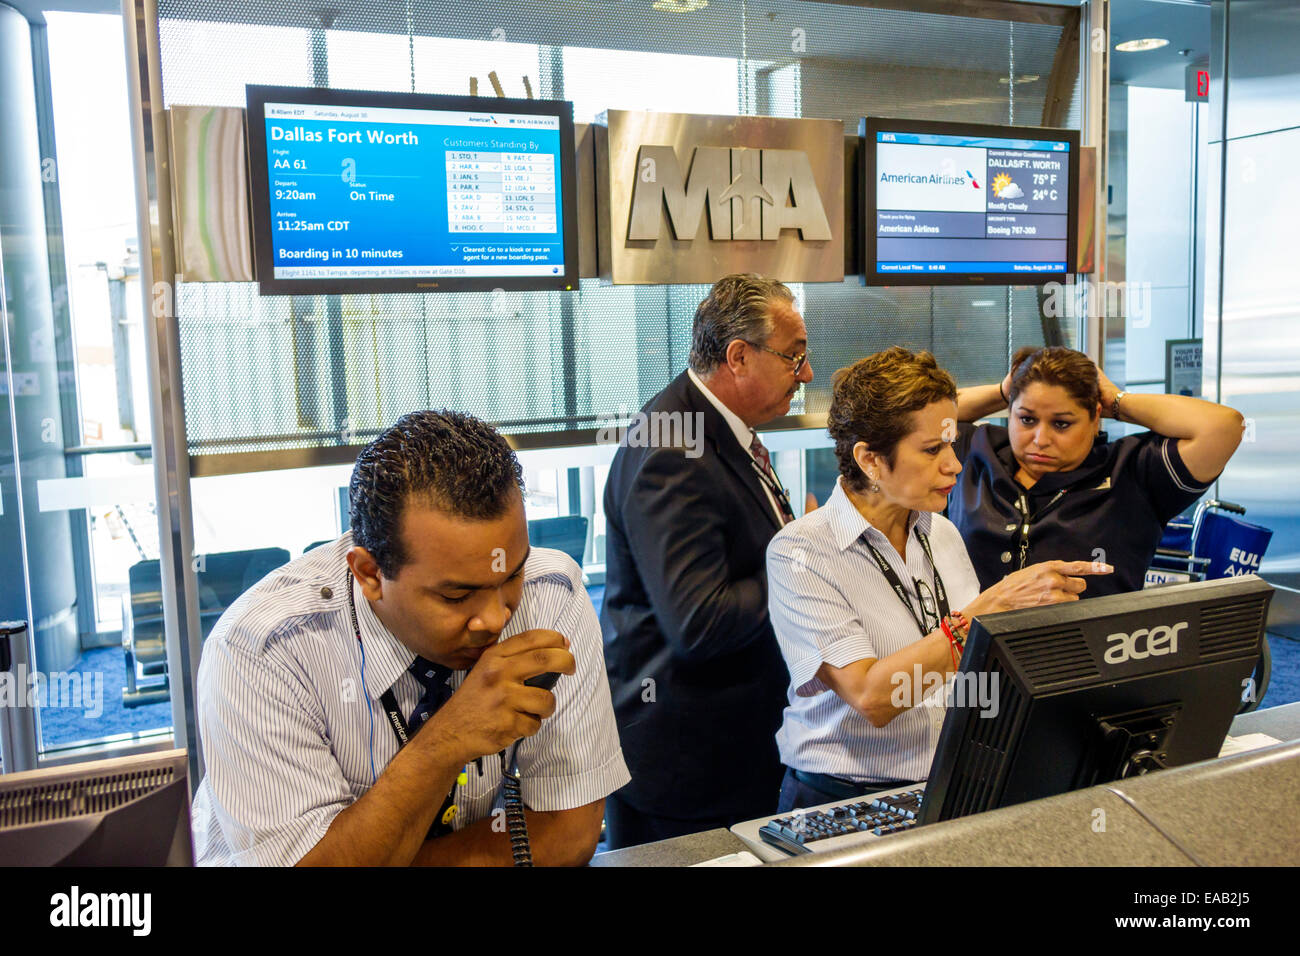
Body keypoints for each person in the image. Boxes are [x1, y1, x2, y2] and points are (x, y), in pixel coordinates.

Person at [190, 410, 629, 865]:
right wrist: (448, 740)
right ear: (369, 574)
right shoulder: (261, 650)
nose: (496, 618)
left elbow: (570, 834)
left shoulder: (549, 593)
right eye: (458, 594)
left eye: (511, 575)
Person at [767, 347, 1110, 813]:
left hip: (952, 782)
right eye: (932, 450)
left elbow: (969, 671)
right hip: (845, 797)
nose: (953, 464)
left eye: (951, 444)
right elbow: (872, 697)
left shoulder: (941, 530)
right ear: (869, 459)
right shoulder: (802, 552)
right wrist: (987, 611)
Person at [601, 273, 815, 847]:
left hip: (729, 752)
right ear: (739, 357)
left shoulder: (715, 428)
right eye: (795, 358)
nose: (807, 374)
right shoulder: (674, 449)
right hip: (688, 772)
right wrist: (799, 558)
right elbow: (701, 622)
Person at [949, 346, 1245, 597]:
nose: (1040, 439)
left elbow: (1223, 427)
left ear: (1095, 419)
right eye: (1026, 419)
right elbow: (924, 416)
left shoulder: (1133, 470)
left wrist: (1117, 400)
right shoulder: (977, 451)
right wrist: (1004, 390)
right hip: (976, 657)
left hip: (1091, 657)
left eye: (1062, 424)